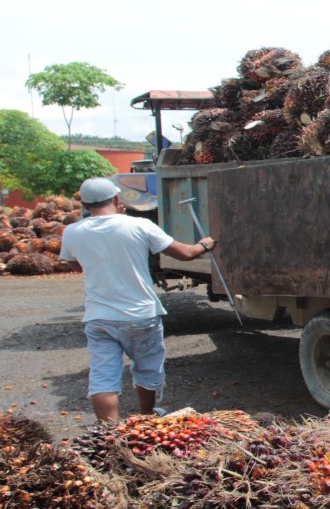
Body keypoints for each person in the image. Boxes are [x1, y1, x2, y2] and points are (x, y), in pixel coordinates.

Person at [59, 177, 217, 423]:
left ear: (85, 204)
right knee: (148, 369)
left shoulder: (72, 232)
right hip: (141, 315)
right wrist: (204, 245)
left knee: (103, 378)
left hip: (99, 318)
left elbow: (77, 264)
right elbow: (185, 254)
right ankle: (146, 418)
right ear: (115, 199)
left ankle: (108, 433)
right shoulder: (139, 225)